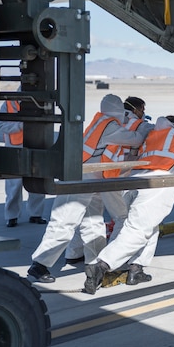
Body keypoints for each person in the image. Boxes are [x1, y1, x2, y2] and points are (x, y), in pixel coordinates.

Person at [83, 116, 174, 294]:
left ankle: (136, 269)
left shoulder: (152, 134)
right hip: (157, 183)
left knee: (150, 226)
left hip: (134, 180)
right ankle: (102, 265)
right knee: (138, 230)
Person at [28, 94, 145, 283]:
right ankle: (39, 266)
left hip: (89, 179)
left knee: (93, 221)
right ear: (118, 111)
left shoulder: (100, 121)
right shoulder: (110, 126)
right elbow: (135, 139)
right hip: (78, 179)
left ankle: (95, 263)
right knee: (64, 221)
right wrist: (145, 127)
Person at [0, 98, 47, 227]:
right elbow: (1, 126)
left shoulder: (37, 103)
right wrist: (20, 126)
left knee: (37, 182)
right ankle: (11, 216)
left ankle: (36, 214)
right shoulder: (7, 104)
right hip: (15, 150)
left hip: (35, 146)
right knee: (14, 185)